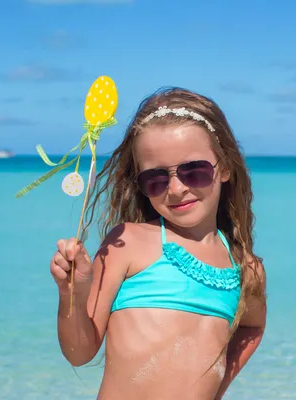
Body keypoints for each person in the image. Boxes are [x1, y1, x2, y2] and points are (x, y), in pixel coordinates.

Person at [49, 87, 267, 400]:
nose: (176, 189)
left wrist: (218, 384)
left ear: (225, 168)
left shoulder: (247, 270)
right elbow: (78, 352)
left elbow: (251, 327)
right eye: (156, 179)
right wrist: (72, 292)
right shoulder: (128, 243)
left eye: (194, 171)